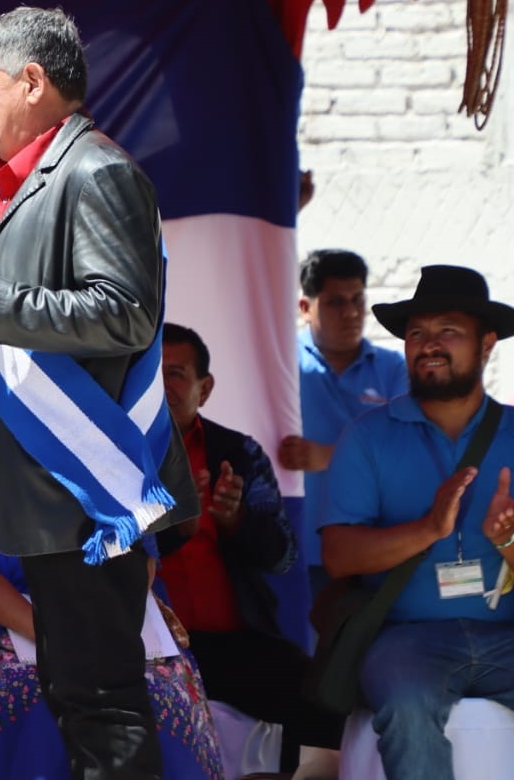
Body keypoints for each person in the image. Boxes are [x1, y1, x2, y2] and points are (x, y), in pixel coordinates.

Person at [0, 6, 197, 778]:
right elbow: (9, 344)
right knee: (77, 699)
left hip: (85, 489)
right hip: (49, 493)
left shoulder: (96, 172)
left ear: (32, 81)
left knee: (102, 703)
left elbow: (125, 314)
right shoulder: (30, 182)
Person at [319, 264, 514, 780]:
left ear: (487, 344)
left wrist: (508, 540)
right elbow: (338, 557)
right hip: (406, 639)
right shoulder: (367, 436)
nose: (429, 344)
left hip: (508, 633)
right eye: (416, 333)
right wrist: (428, 528)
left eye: (448, 330)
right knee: (407, 705)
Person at [0, 481, 223, 780]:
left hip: (112, 613)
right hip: (13, 621)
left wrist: (112, 622)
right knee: (41, 703)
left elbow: (141, 562)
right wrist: (58, 636)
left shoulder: (120, 467)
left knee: (159, 695)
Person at [159, 322, 344, 773]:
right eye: (150, 373)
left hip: (230, 642)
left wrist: (237, 521)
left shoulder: (238, 453)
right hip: (144, 646)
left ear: (205, 389)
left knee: (321, 693)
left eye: (176, 373)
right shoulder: (110, 453)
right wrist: (173, 529)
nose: (162, 385)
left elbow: (282, 556)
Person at [278, 249, 406, 595]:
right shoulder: (281, 365)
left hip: (377, 550)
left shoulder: (394, 369)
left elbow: (409, 452)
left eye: (357, 300)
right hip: (296, 553)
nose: (350, 313)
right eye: (335, 302)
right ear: (305, 307)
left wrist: (328, 457)